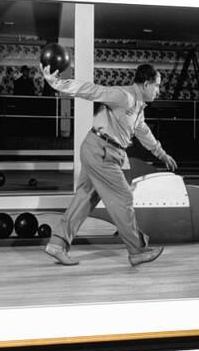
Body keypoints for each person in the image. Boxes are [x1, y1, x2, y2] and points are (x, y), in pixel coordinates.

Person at [40, 63, 177, 266]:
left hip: (98, 150)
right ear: (146, 84)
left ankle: (57, 244)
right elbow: (92, 90)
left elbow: (142, 131)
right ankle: (137, 251)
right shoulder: (124, 96)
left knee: (85, 198)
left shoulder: (138, 106)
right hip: (101, 151)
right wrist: (57, 83)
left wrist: (161, 153)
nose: (159, 90)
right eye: (157, 85)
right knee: (124, 197)